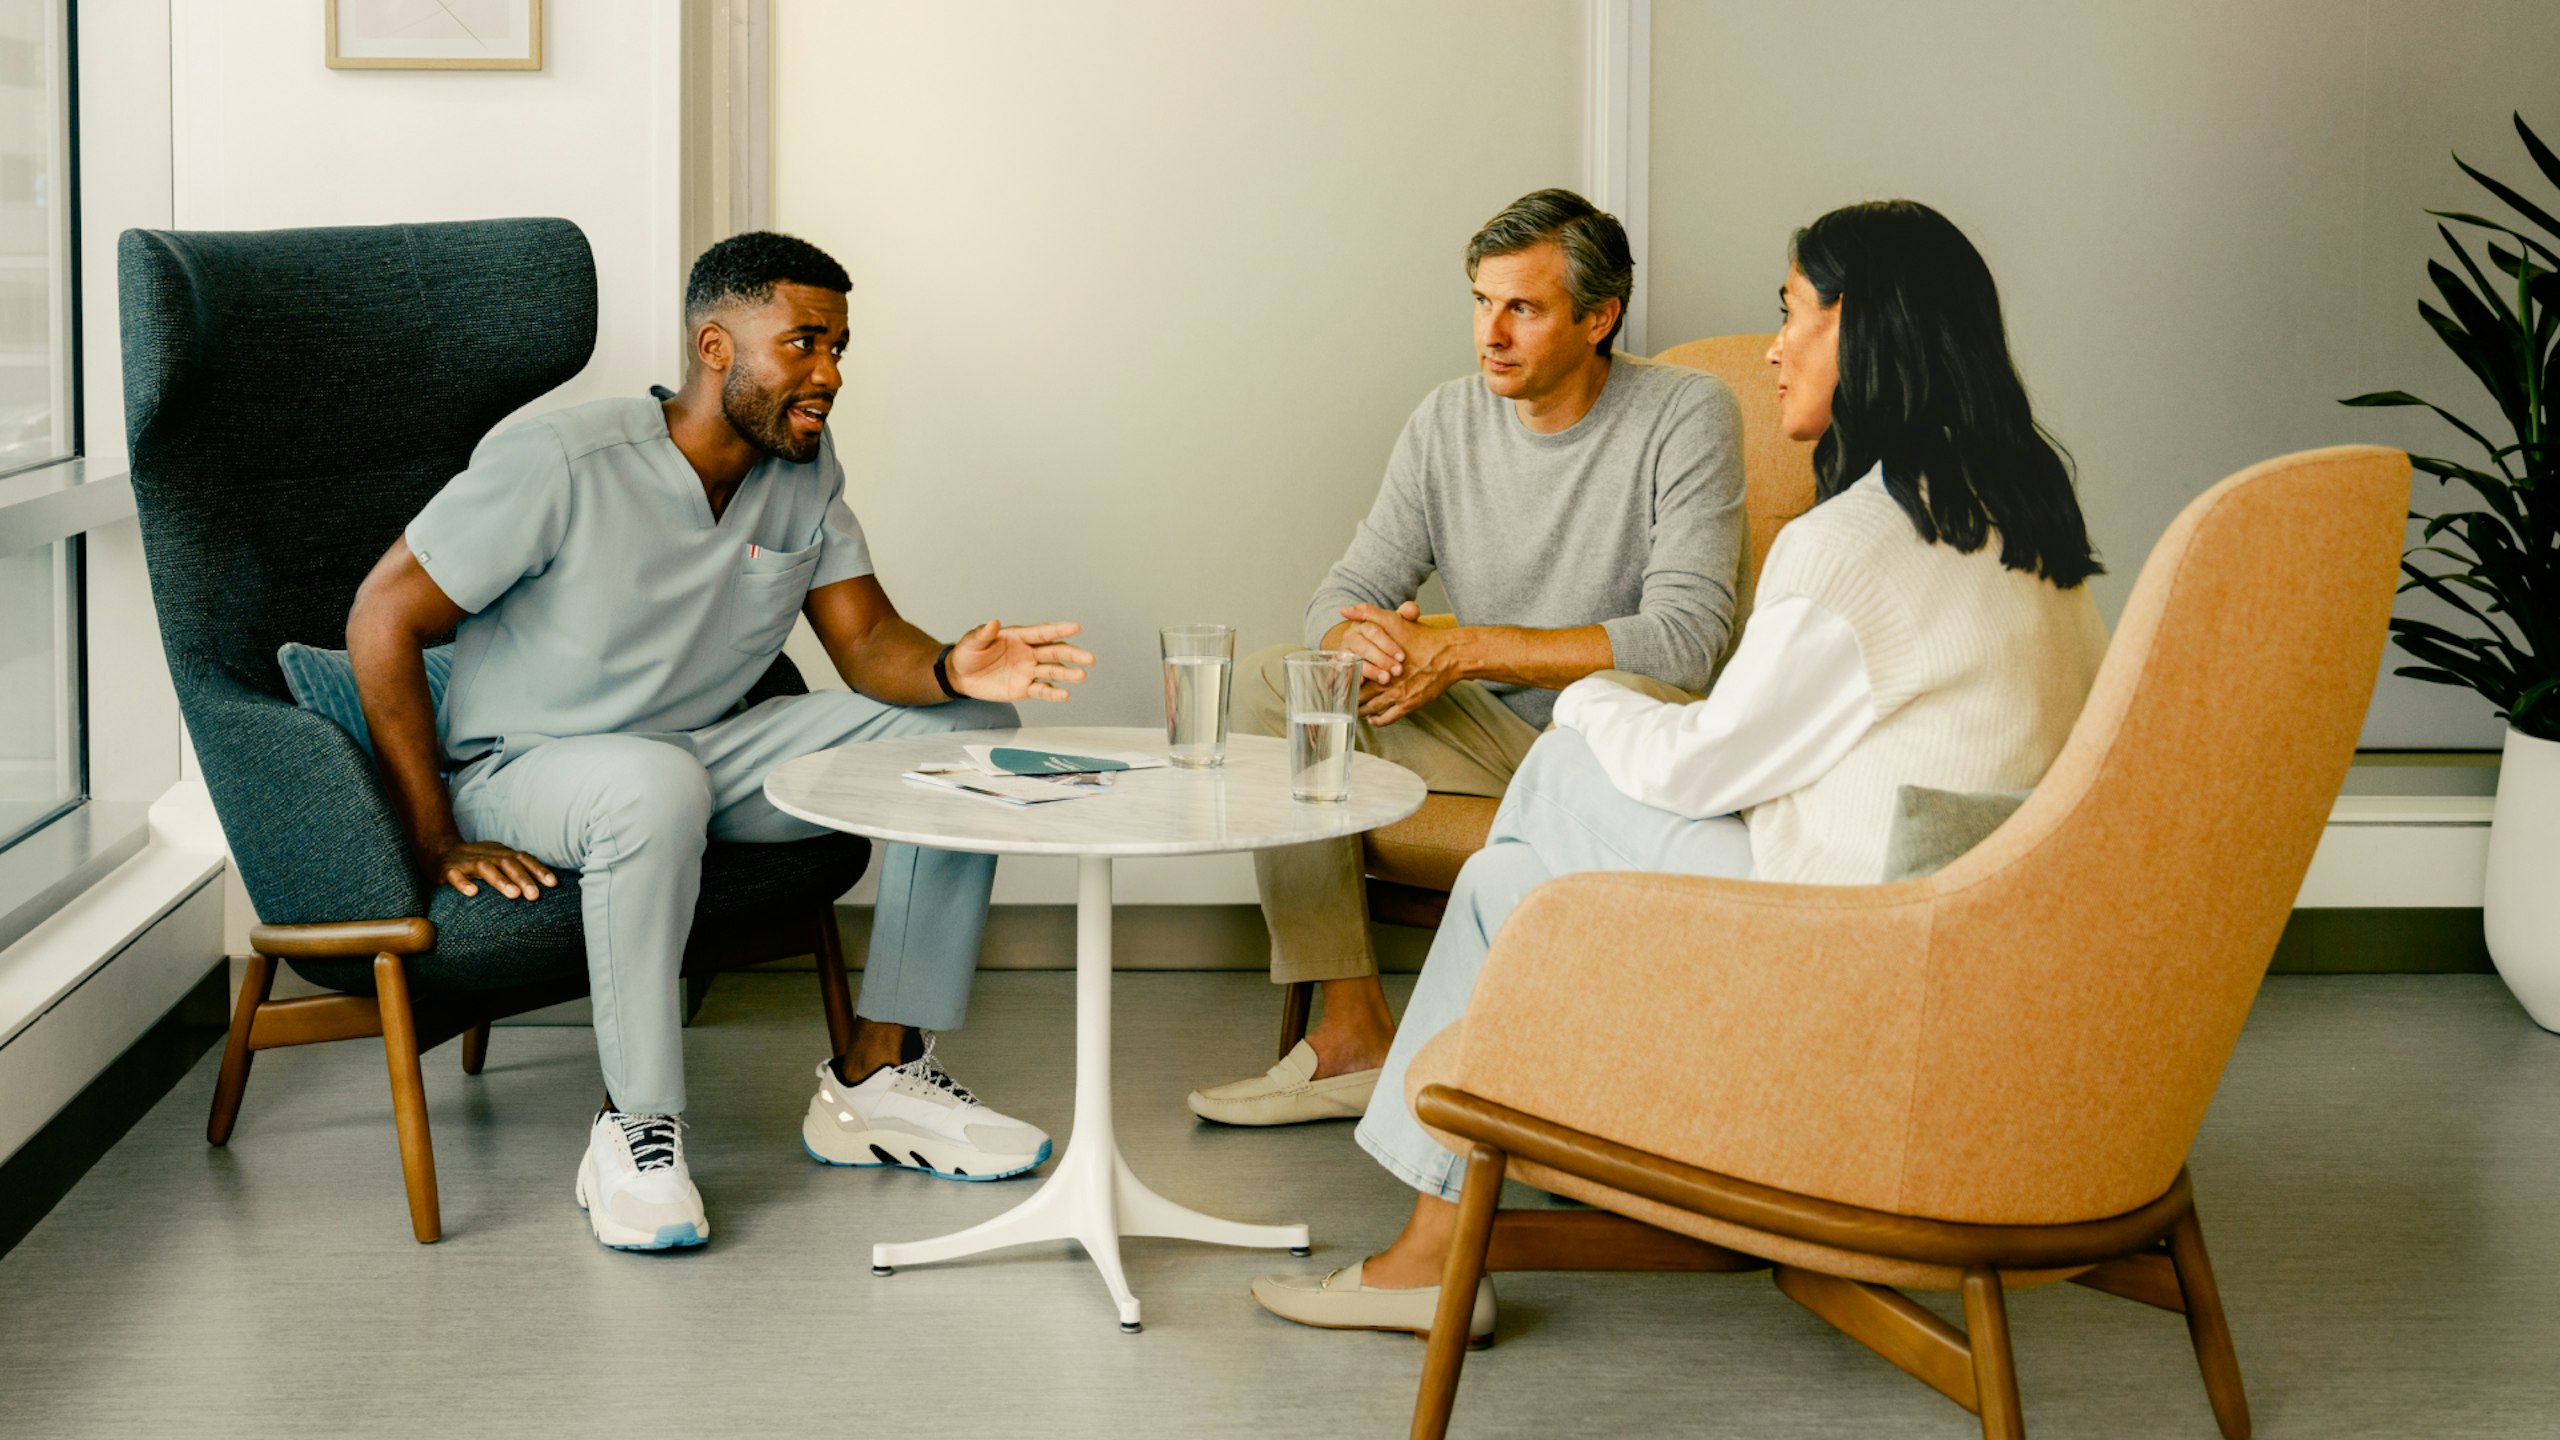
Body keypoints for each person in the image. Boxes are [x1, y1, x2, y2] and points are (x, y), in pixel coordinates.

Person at [1249, 199, 2112, 1340]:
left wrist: (1581, 700)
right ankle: (1452, 1212)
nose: (1770, 348)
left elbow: (1706, 751)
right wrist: (1377, 640)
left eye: (1791, 312)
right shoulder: (2022, 521)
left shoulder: (1848, 543)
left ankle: (1447, 1232)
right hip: (1956, 940)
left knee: (1537, 828)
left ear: (1868, 334)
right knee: (1503, 878)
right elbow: (1354, 581)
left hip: (1840, 952)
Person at [346, 232, 1097, 1253]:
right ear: (714, 346)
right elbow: (383, 617)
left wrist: (953, 670)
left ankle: (877, 1076)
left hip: (701, 752)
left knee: (966, 731)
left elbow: (868, 641)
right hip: (527, 769)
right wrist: (433, 835)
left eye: (838, 348)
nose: (828, 376)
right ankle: (635, 1128)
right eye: (803, 344)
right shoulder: (561, 461)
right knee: (650, 786)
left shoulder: (802, 466)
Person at [1186, 189, 1748, 1126]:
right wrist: (1363, 644)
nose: (1491, 332)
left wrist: (1460, 648)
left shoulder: (1687, 414)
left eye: (1522, 307)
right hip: (1480, 733)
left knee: (1349, 688)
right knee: (1278, 681)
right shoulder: (1446, 421)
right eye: (1482, 301)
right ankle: (1353, 1035)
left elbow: (1687, 642)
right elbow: (1341, 590)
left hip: (1609, 747)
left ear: (1598, 317)